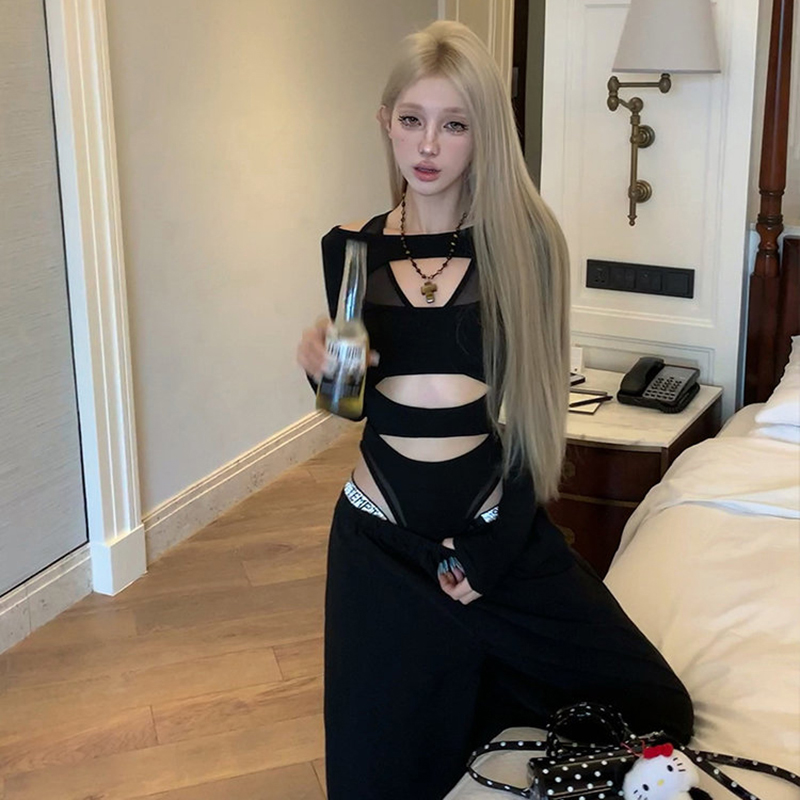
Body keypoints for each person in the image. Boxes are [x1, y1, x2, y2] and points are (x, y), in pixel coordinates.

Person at [296, 20, 693, 800]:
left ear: (484, 134)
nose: (428, 145)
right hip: (380, 541)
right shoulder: (348, 249)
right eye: (412, 119)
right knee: (374, 781)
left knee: (656, 704)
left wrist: (494, 550)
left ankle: (471, 677)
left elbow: (537, 415)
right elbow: (350, 409)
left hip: (490, 525)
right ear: (385, 123)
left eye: (455, 124)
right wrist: (323, 372)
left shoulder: (524, 243)